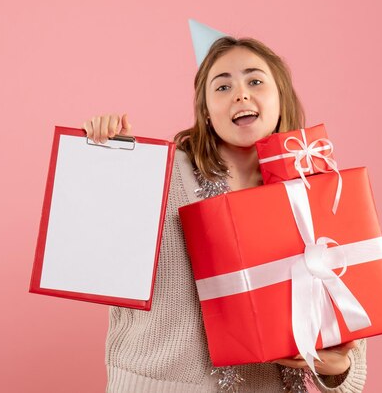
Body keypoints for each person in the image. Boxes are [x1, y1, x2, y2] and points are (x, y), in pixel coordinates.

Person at [82, 36, 366, 393]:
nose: (241, 94)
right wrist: (107, 162)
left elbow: (350, 369)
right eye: (223, 86)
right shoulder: (159, 174)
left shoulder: (321, 191)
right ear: (205, 110)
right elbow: (95, 251)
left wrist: (335, 366)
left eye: (255, 81)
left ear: (281, 99)